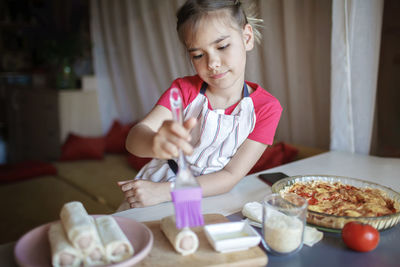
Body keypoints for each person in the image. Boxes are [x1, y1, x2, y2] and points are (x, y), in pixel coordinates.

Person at [118, 0, 282, 209]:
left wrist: (165, 192)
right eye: (197, 55)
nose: (212, 63)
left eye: (222, 46)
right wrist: (154, 143)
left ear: (247, 37)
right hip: (154, 189)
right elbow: (134, 138)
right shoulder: (184, 90)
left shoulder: (266, 109)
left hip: (209, 195)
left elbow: (230, 175)